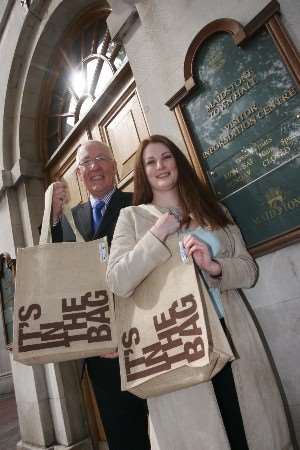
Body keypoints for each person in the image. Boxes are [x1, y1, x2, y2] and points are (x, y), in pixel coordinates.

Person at [106, 135, 295, 450]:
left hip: (231, 332)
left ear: (178, 162)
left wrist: (214, 267)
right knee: (205, 434)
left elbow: (249, 271)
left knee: (247, 429)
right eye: (150, 162)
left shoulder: (214, 210)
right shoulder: (133, 218)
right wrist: (157, 234)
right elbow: (117, 280)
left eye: (166, 157)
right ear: (143, 172)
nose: (160, 166)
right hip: (176, 341)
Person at [50, 140, 150, 450]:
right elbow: (58, 268)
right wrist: (53, 218)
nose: (94, 166)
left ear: (114, 165)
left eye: (101, 158)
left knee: (160, 423)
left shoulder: (137, 201)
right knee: (120, 431)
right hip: (99, 342)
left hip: (143, 331)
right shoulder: (69, 218)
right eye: (86, 163)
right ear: (79, 174)